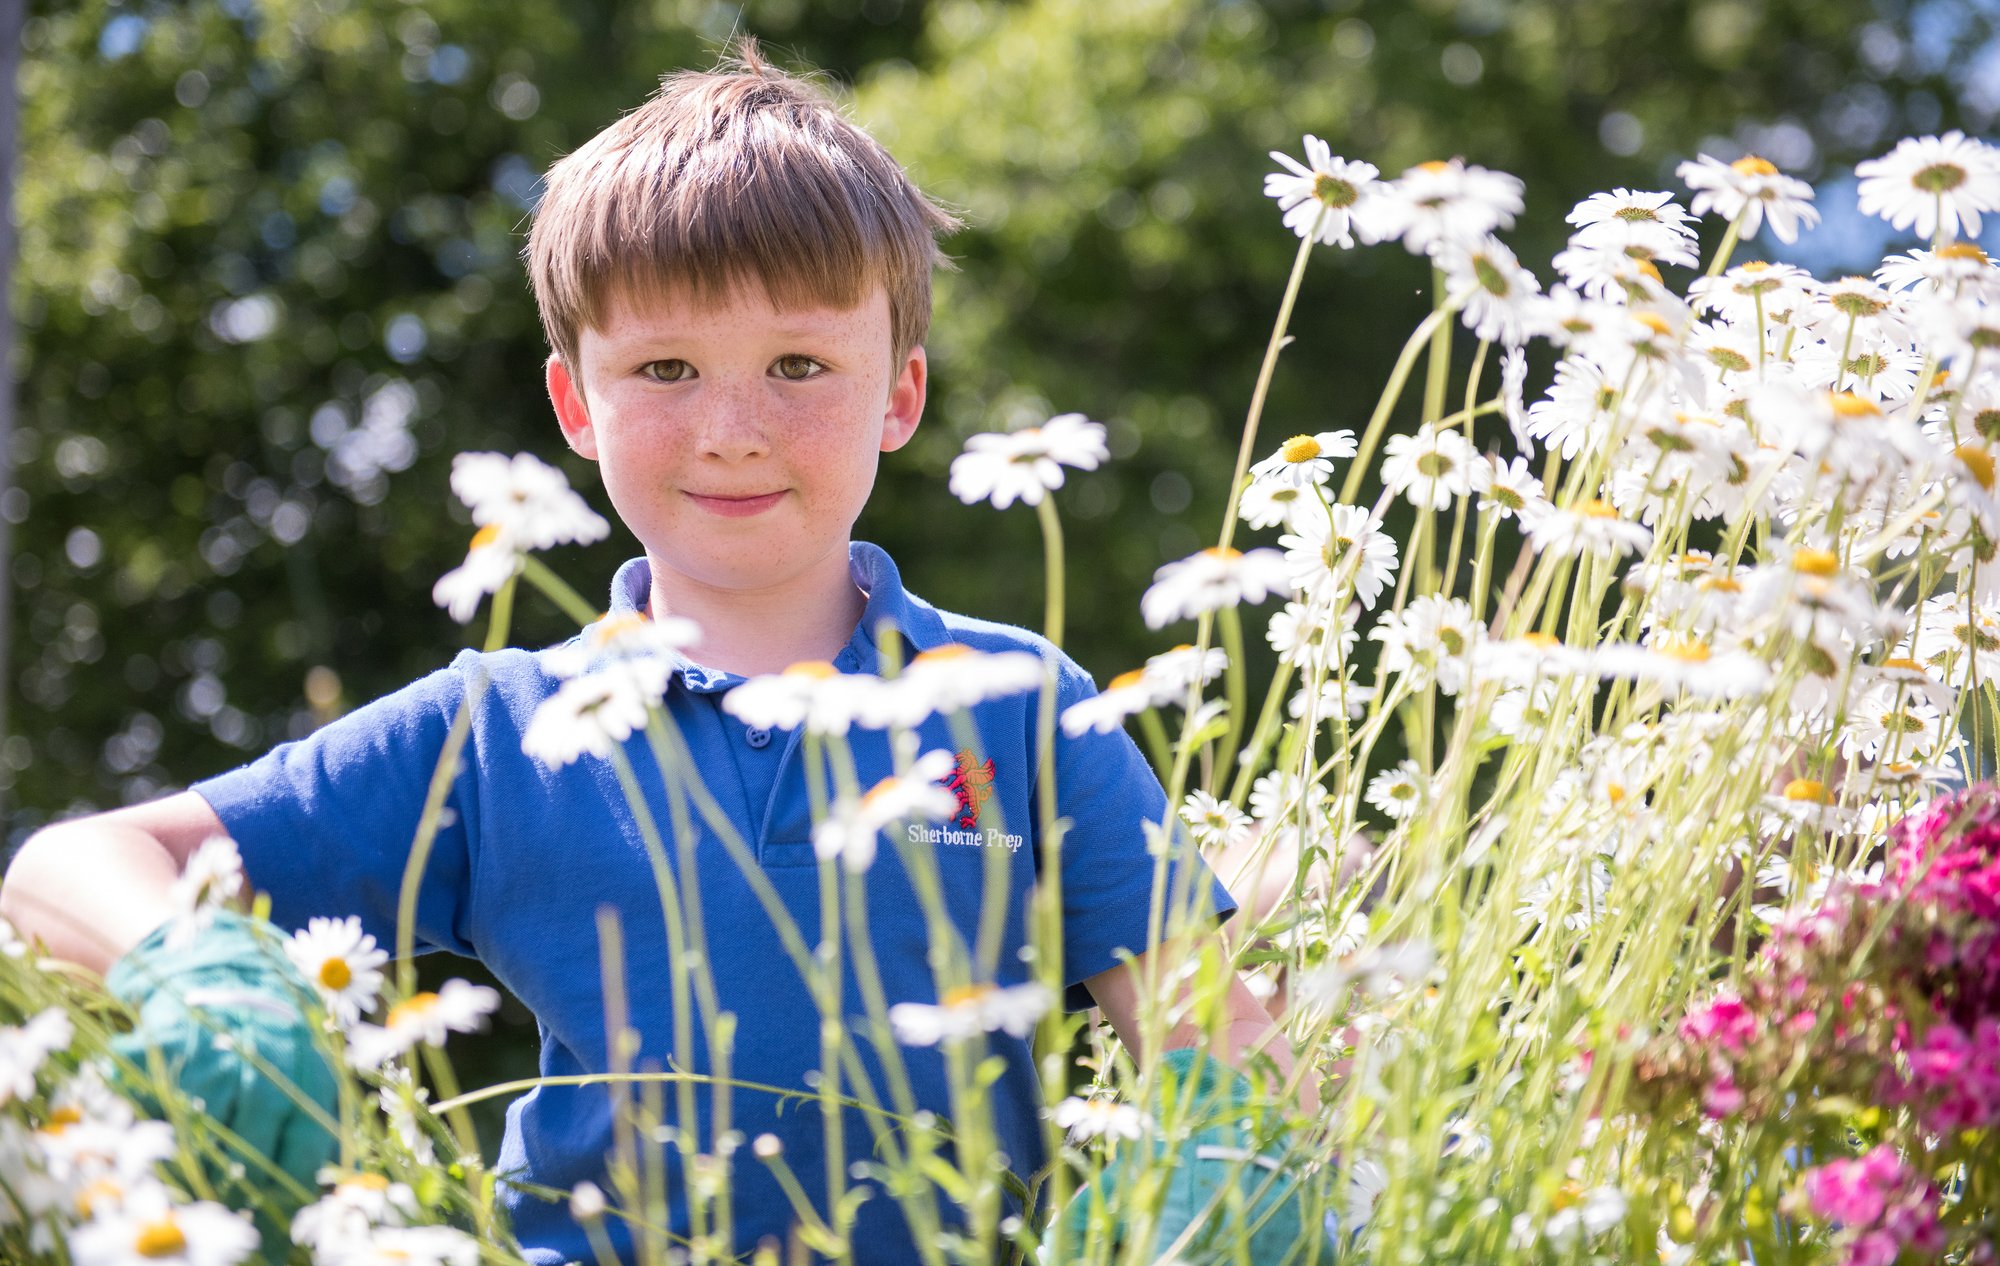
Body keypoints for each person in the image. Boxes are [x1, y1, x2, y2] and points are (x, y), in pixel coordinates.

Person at [1, 41, 1321, 1264]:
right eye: (669, 368)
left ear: (901, 393)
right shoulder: (500, 727)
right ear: (577, 403)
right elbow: (65, 865)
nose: (734, 428)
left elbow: (1206, 1035)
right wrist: (192, 966)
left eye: (800, 363)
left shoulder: (1024, 708)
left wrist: (1240, 1149)